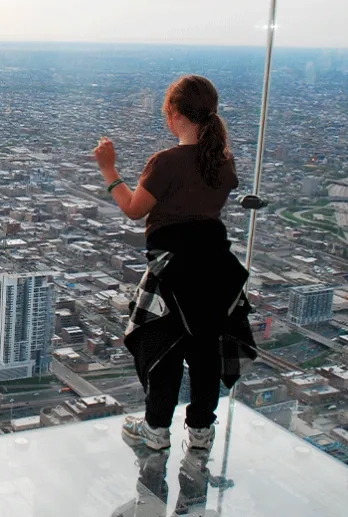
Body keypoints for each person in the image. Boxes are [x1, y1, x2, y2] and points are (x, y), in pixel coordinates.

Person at [93, 74, 257, 452]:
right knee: (205, 351)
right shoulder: (223, 161)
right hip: (215, 269)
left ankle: (156, 431)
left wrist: (108, 169)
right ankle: (201, 430)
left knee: (163, 348)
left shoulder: (166, 162)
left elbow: (134, 210)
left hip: (173, 271)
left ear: (173, 114)